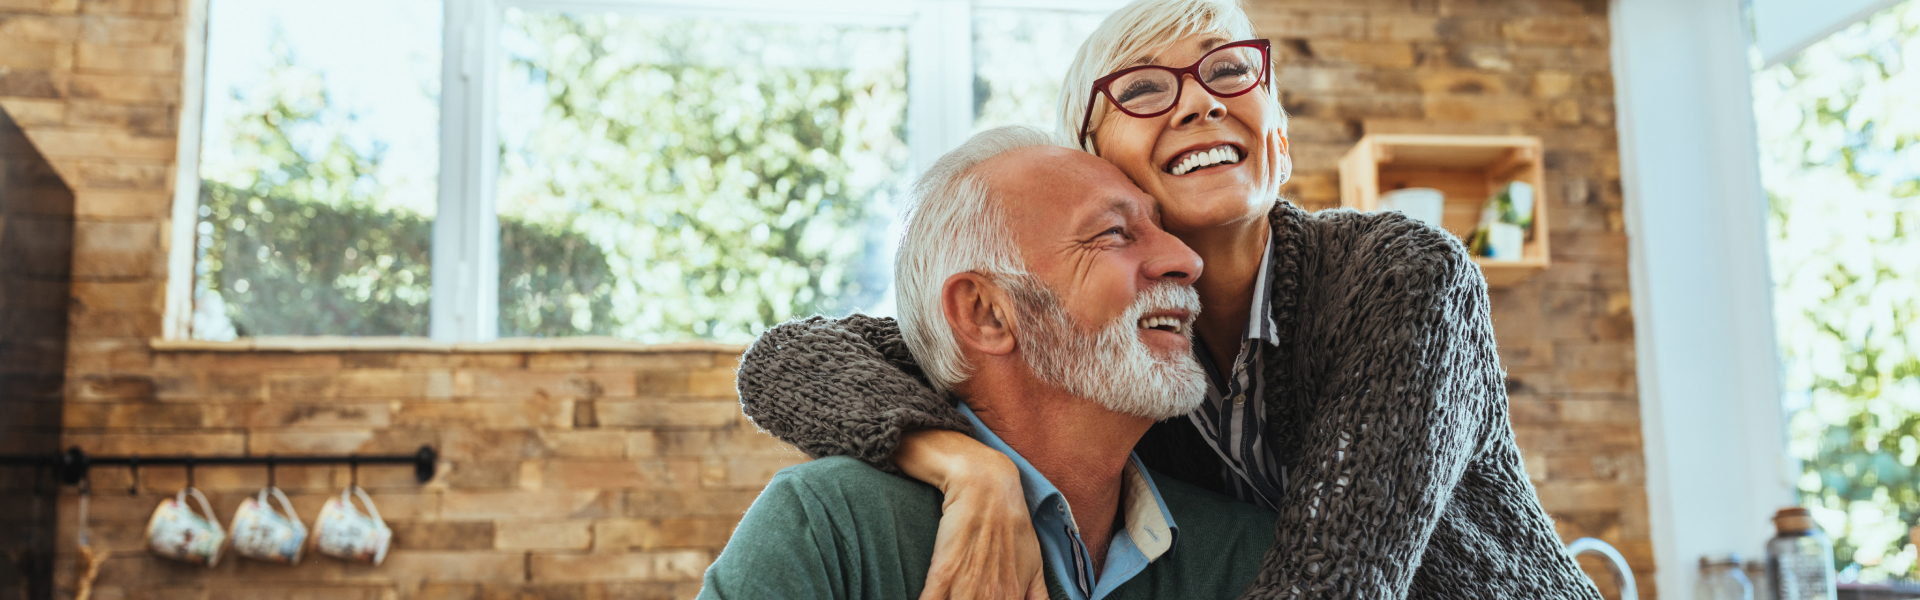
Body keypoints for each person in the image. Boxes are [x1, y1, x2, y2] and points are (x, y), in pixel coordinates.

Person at [736, 0, 1604, 598]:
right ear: (1095, 156)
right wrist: (969, 464)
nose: (1198, 101)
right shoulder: (1116, 347)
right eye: (1146, 89)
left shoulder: (1402, 277)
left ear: (1281, 141)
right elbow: (792, 361)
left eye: (1230, 72)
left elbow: (1335, 583)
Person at [699, 126, 1277, 600]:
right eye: (1115, 233)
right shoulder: (830, 529)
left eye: (1163, 229)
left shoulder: (1246, 555)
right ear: (986, 314)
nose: (1185, 259)